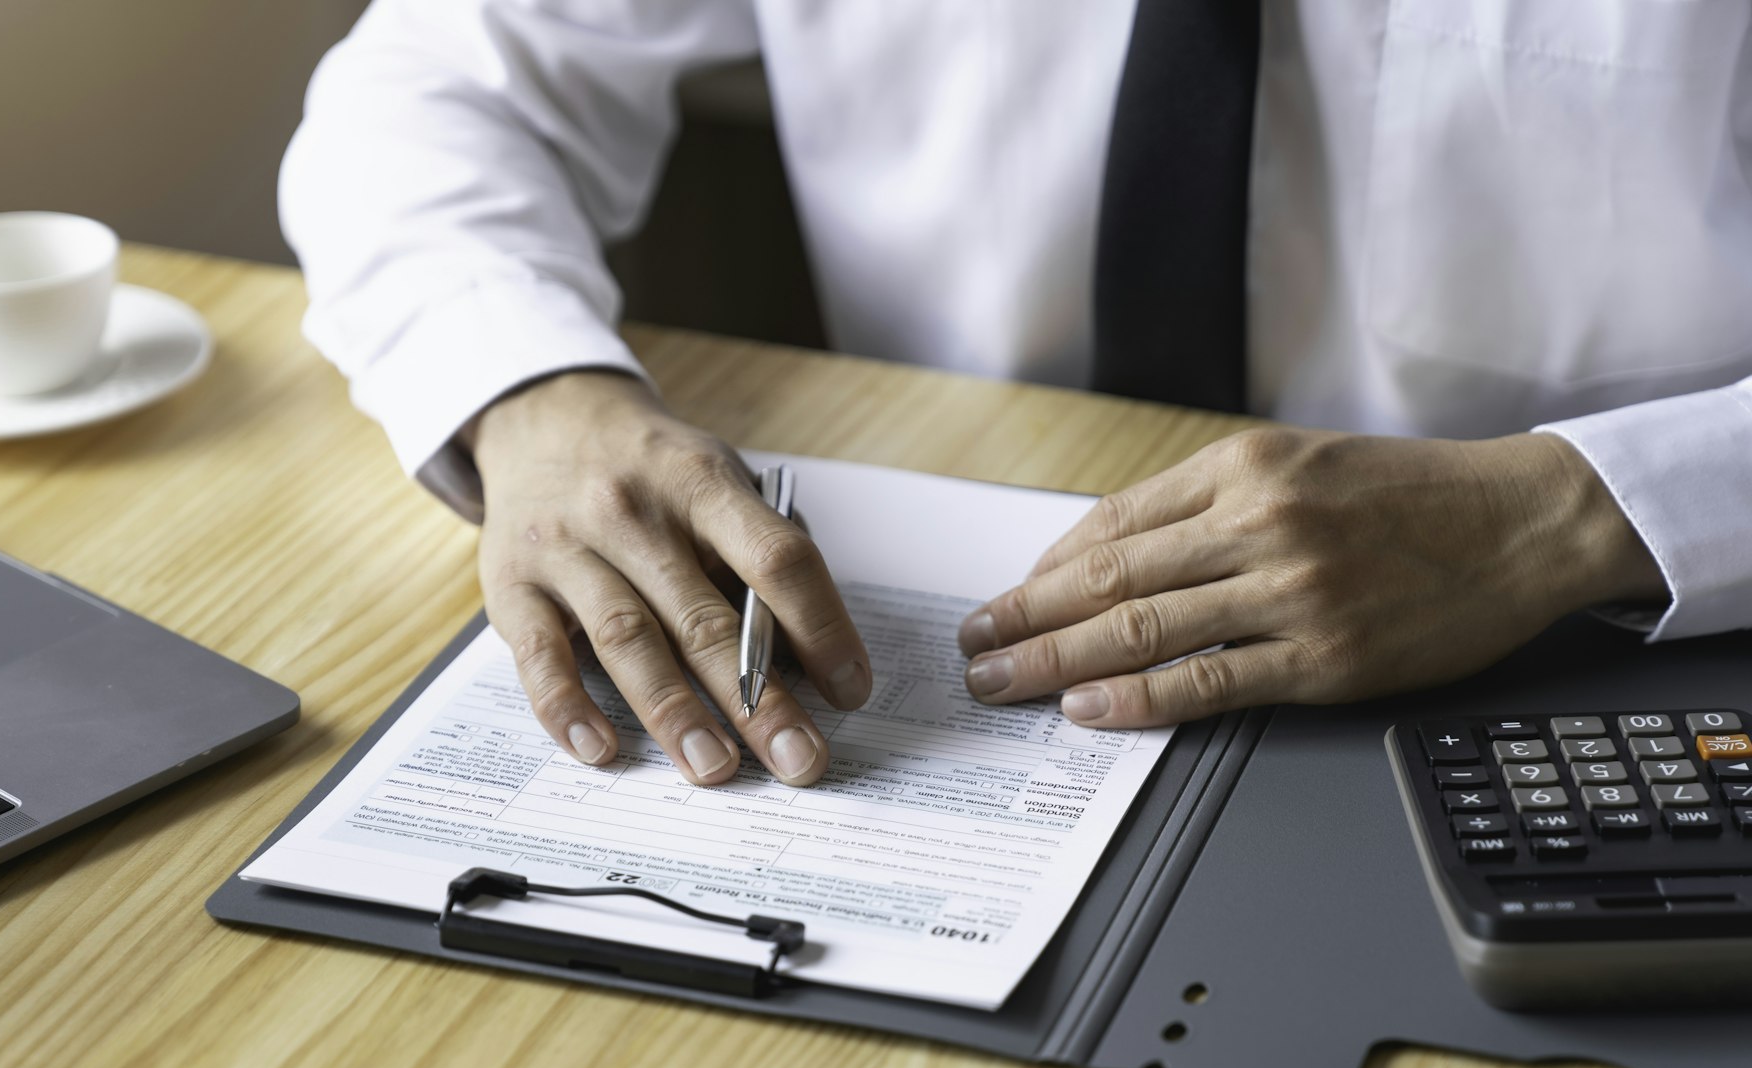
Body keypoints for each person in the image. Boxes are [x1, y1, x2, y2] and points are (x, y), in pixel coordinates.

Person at [279, 1, 1749, 791]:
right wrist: (533, 393)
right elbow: (432, 85)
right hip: (976, 642)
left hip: (1606, 650)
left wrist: (1572, 512)